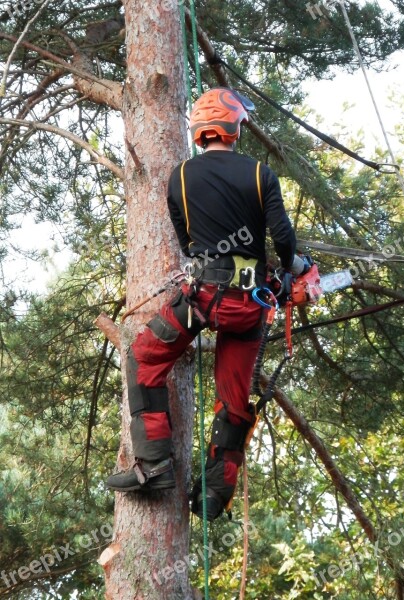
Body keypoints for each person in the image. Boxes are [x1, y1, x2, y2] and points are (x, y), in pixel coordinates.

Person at [106, 87, 310, 521]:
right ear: (235, 127)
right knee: (234, 399)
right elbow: (285, 242)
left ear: (200, 131)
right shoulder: (260, 174)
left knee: (144, 360)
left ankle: (155, 464)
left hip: (202, 300)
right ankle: (215, 493)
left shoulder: (179, 176)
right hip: (251, 306)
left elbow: (187, 244)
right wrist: (299, 266)